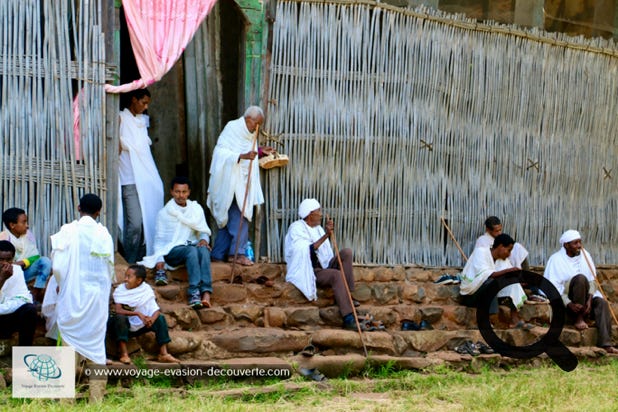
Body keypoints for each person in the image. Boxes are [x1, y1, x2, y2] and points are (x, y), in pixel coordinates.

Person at [45, 194, 114, 365]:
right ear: (99, 212)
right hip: (97, 296)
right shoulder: (104, 234)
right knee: (96, 342)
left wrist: (61, 284)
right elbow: (109, 268)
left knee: (69, 338)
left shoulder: (68, 230)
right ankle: (97, 391)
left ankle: (67, 389)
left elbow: (59, 267)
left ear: (78, 208)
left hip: (72, 294)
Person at [207, 106, 273, 266]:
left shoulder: (250, 134)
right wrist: (241, 156)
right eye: (256, 123)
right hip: (229, 181)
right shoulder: (233, 128)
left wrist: (259, 151)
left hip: (242, 182)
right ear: (248, 119)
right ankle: (237, 254)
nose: (257, 128)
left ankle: (218, 253)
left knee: (228, 219)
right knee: (239, 216)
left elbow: (247, 150)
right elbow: (220, 152)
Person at [284, 199, 359, 330]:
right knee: (335, 275)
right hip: (312, 270)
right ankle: (348, 318)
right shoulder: (296, 228)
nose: (321, 214)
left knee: (346, 253)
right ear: (310, 214)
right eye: (318, 211)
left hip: (325, 264)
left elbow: (323, 252)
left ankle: (348, 296)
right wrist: (327, 235)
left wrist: (326, 234)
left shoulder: (318, 229)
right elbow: (307, 249)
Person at [140, 176, 213, 309]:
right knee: (192, 250)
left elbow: (203, 230)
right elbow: (160, 240)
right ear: (172, 192)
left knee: (203, 249)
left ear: (189, 192)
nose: (181, 195)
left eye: (184, 192)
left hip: (192, 245)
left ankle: (206, 292)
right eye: (177, 192)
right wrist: (159, 259)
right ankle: (194, 292)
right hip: (172, 251)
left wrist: (204, 239)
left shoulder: (196, 209)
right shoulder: (164, 213)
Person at [544, 230, 618, 354]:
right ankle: (579, 319)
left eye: (580, 242)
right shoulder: (555, 260)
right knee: (580, 279)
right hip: (567, 304)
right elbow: (553, 288)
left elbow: (593, 281)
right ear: (566, 245)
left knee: (602, 303)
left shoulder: (585, 255)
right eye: (575, 243)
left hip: (585, 301)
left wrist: (589, 301)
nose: (579, 246)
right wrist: (569, 303)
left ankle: (606, 344)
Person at [118, 88, 164, 264]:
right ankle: (130, 261)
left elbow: (143, 154)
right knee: (135, 224)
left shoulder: (141, 123)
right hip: (128, 180)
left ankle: (139, 260)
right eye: (143, 103)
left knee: (146, 222)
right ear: (133, 100)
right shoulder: (121, 119)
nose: (145, 108)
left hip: (145, 181)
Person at [109, 264, 179, 364]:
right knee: (120, 318)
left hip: (142, 324)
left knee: (160, 319)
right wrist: (137, 314)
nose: (125, 279)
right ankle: (124, 354)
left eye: (129, 277)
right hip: (124, 326)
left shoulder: (146, 290)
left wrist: (151, 320)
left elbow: (156, 309)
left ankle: (163, 354)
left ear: (138, 280)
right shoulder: (120, 290)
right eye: (125, 276)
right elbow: (118, 310)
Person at [459, 234, 531, 329]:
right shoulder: (480, 252)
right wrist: (509, 271)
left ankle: (515, 320)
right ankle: (485, 321)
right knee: (492, 282)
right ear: (501, 247)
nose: (509, 254)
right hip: (470, 296)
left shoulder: (502, 260)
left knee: (511, 282)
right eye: (508, 250)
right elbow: (487, 275)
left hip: (488, 295)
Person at [475, 216, 547, 303]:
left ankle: (527, 280)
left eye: (500, 230)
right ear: (488, 229)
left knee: (518, 248)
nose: (499, 233)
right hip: (494, 266)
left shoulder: (499, 238)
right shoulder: (482, 240)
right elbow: (486, 258)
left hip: (504, 262)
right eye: (496, 231)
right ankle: (525, 290)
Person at [1, 207, 52, 303]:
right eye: (23, 222)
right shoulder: (3, 238)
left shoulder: (28, 236)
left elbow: (36, 256)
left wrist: (22, 263)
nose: (27, 225)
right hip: (9, 275)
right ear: (12, 225)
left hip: (26, 272)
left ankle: (35, 293)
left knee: (46, 262)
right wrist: (13, 266)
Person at [0, 240, 37, 346]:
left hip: (7, 317)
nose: (5, 263)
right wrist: (2, 278)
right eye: (1, 259)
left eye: (8, 260)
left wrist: (3, 308)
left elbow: (24, 298)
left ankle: (24, 354)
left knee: (29, 310)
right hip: (6, 311)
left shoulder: (16, 270)